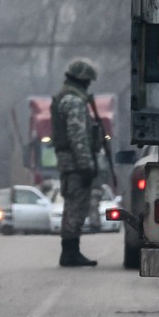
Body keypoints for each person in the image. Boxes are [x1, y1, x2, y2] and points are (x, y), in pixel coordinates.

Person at [52, 57, 105, 268]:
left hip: (70, 162)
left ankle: (71, 250)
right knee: (76, 205)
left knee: (73, 205)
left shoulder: (66, 98)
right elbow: (78, 136)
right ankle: (70, 252)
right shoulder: (73, 101)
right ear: (82, 79)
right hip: (76, 163)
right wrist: (85, 165)